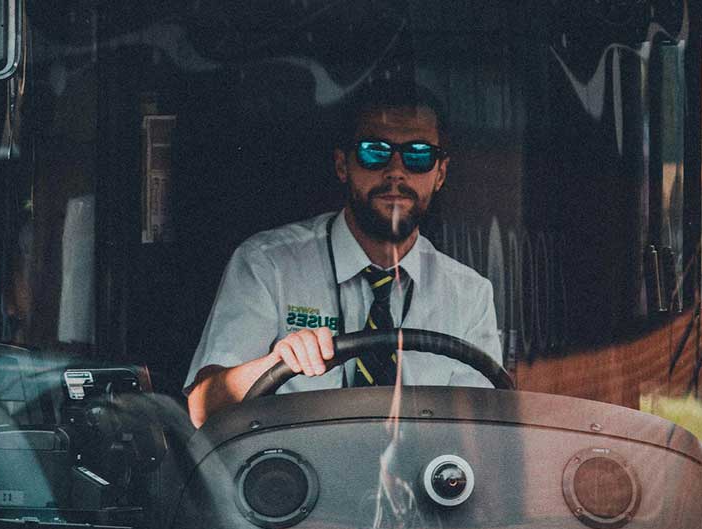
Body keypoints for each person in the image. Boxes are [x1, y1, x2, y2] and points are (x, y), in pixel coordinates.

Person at [184, 83, 500, 427]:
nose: (396, 170)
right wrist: (276, 363)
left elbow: (482, 431)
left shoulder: (469, 294)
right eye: (374, 151)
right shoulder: (269, 264)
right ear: (342, 165)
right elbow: (202, 408)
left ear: (439, 174)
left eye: (419, 155)